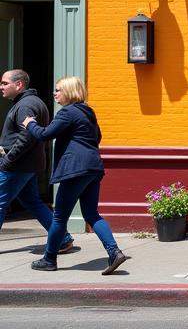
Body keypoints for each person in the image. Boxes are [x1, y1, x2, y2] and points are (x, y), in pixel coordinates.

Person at [21, 76, 129, 274]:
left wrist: (29, 124)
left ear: (69, 92)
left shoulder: (68, 112)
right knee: (91, 214)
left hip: (75, 169)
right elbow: (97, 137)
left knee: (59, 217)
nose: (55, 93)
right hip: (93, 168)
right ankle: (114, 252)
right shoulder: (88, 112)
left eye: (58, 90)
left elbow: (45, 134)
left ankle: (49, 259)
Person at [0, 70, 74, 253]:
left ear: (19, 85)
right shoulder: (30, 103)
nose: (1, 87)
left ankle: (63, 238)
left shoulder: (25, 105)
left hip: (17, 166)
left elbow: (27, 137)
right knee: (32, 202)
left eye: (4, 83)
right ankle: (63, 239)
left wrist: (7, 160)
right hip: (27, 165)